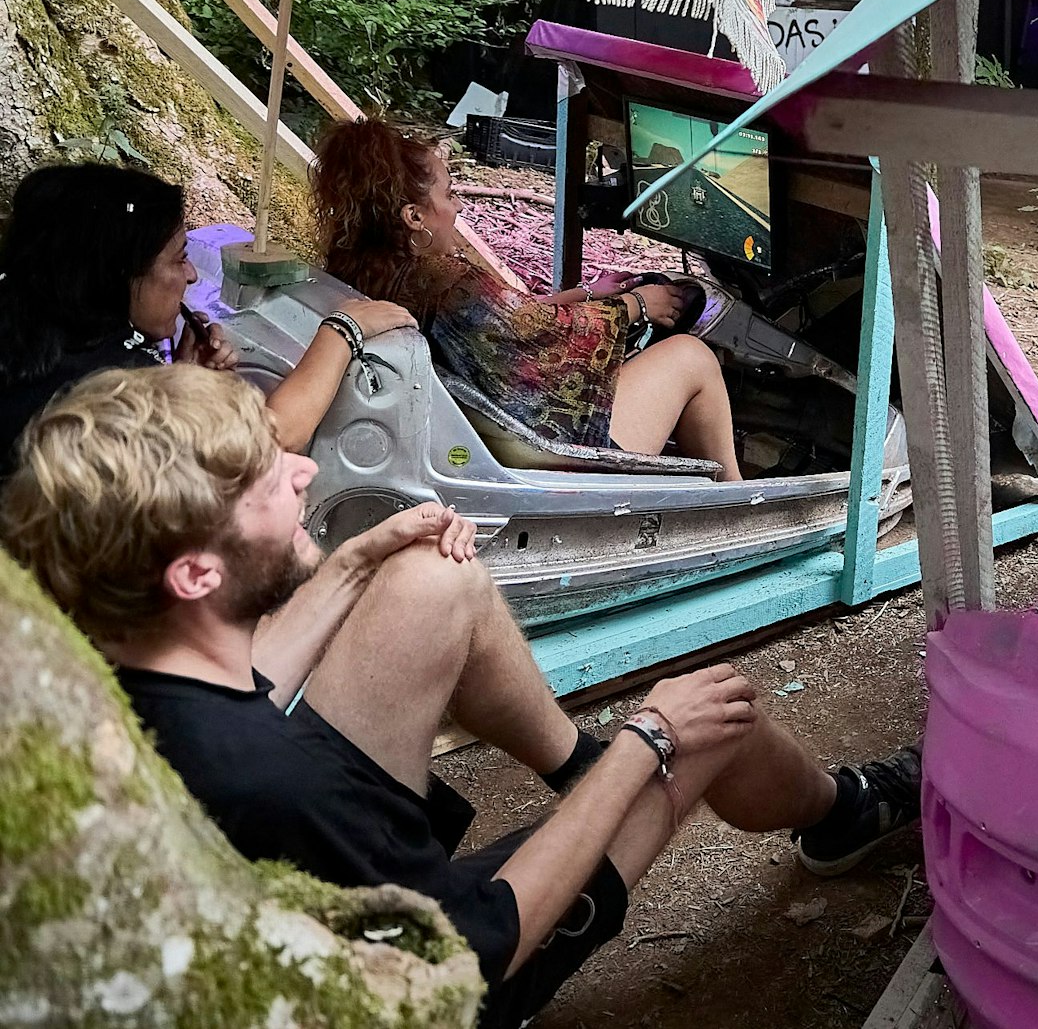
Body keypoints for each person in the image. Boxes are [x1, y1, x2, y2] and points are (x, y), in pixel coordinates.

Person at [0, 364, 916, 1027]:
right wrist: (649, 736)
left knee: (426, 582)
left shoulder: (108, 672)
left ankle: (582, 766)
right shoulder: (274, 785)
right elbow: (471, 953)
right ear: (196, 571)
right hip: (442, 971)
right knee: (713, 709)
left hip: (295, 891)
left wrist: (354, 561)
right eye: (264, 480)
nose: (305, 470)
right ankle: (844, 813)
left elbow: (242, 688)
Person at [312, 119, 743, 480]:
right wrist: (638, 305)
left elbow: (511, 322)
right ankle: (739, 500)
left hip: (488, 436)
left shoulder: (364, 267)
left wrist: (588, 293)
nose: (459, 207)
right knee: (692, 355)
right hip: (548, 449)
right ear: (414, 217)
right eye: (449, 194)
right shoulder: (447, 282)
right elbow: (543, 338)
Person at [0, 164, 412, 473]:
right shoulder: (105, 387)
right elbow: (266, 442)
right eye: (179, 259)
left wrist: (181, 381)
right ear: (116, 273)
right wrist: (340, 332)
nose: (192, 274)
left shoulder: (28, 320)